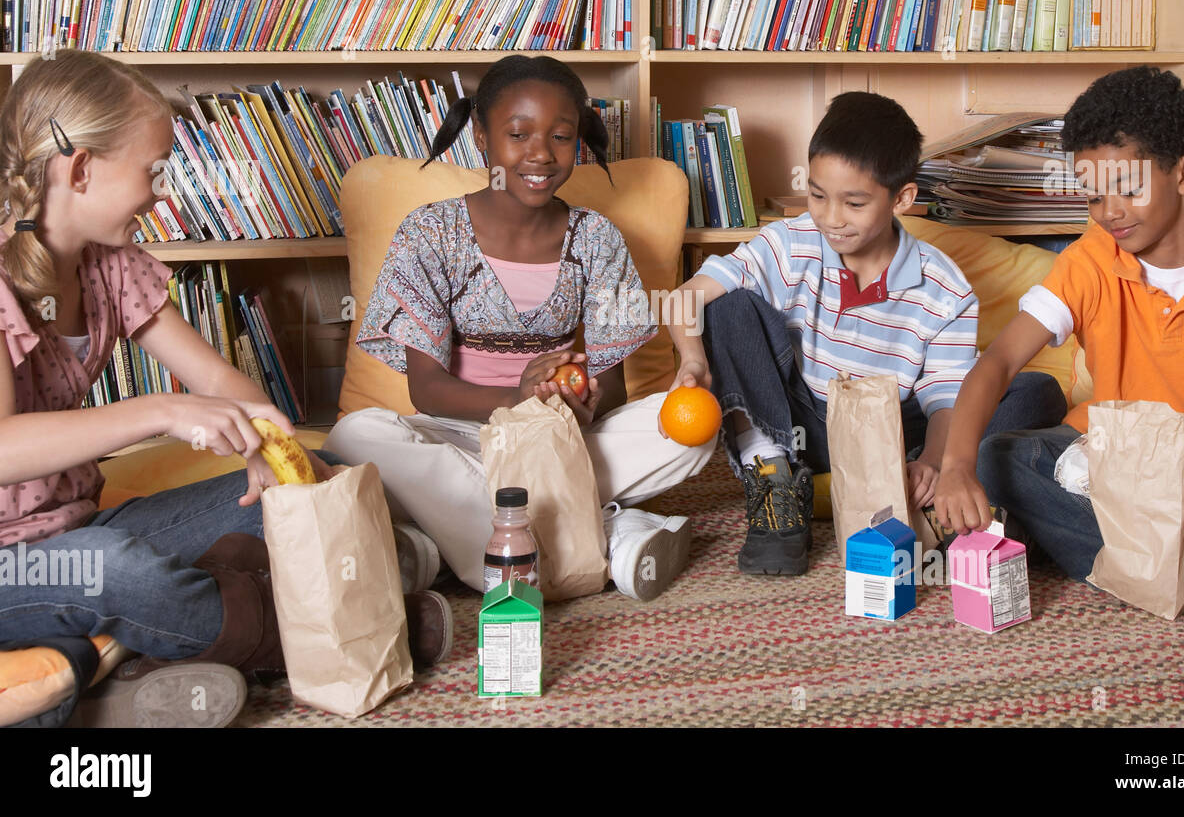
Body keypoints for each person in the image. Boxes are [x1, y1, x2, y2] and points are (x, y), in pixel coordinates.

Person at [0, 50, 450, 729]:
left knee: (300, 485)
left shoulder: (110, 266)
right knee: (118, 570)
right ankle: (328, 631)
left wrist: (269, 446)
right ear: (82, 168)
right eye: (153, 171)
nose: (162, 194)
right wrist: (158, 409)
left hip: (79, 525)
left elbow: (213, 377)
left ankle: (140, 669)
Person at [325, 55, 713, 601]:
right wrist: (519, 399)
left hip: (562, 439)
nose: (540, 154)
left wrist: (572, 406)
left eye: (560, 136)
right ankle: (610, 535)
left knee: (692, 430)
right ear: (481, 137)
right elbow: (426, 391)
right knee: (356, 437)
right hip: (461, 437)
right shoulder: (430, 231)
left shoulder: (597, 238)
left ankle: (443, 548)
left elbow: (614, 388)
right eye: (518, 134)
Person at [933, 65, 1184, 611]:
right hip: (1107, 460)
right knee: (1000, 458)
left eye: (1128, 190)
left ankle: (1126, 553)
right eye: (1093, 196)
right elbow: (999, 362)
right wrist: (956, 466)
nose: (1109, 213)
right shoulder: (1088, 263)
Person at [662, 91, 1067, 575]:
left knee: (1035, 392)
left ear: (902, 199)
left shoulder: (945, 287)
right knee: (727, 304)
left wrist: (933, 460)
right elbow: (685, 298)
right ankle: (774, 478)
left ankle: (920, 490)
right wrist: (693, 361)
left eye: (854, 203)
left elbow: (947, 397)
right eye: (817, 195)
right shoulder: (789, 243)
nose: (831, 218)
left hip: (891, 431)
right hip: (803, 427)